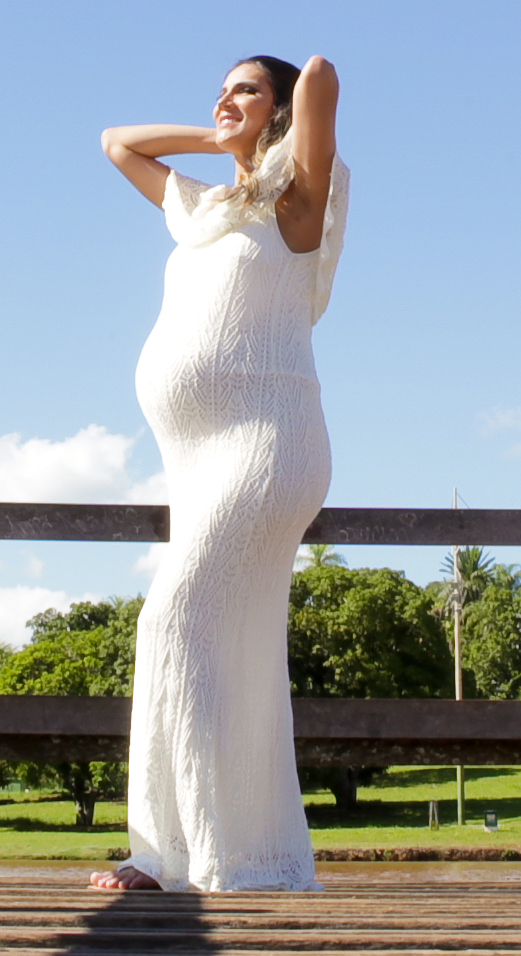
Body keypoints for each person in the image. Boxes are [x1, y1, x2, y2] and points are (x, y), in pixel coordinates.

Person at [87, 54, 345, 892]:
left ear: (278, 113)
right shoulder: (203, 208)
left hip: (267, 444)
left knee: (171, 623)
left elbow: (320, 76)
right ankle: (224, 853)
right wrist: (220, 133)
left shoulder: (296, 205)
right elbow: (117, 143)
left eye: (244, 89)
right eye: (221, 87)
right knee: (236, 648)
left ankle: (180, 858)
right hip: (192, 459)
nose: (224, 98)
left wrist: (289, 103)